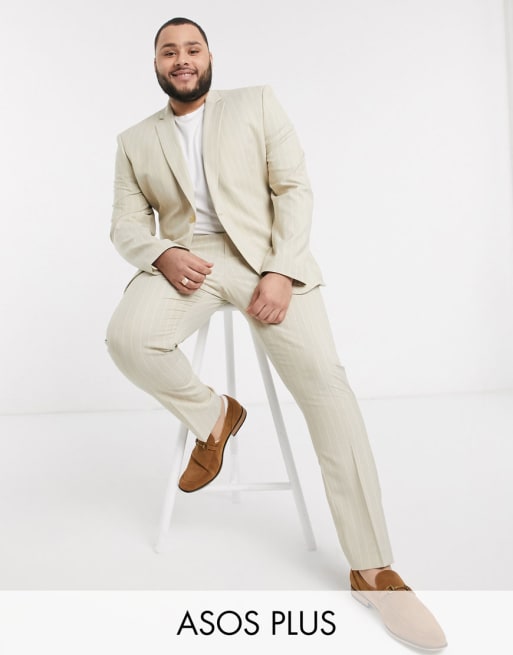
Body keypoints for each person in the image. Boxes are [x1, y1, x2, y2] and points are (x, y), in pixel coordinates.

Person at [106, 17, 447, 650]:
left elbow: (293, 188)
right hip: (189, 262)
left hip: (266, 256)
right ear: (155, 64)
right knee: (128, 338)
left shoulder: (257, 104)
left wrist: (282, 269)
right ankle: (215, 416)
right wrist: (161, 253)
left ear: (210, 56)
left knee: (327, 389)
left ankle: (373, 569)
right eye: (169, 52)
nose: (182, 59)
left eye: (192, 48)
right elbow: (125, 223)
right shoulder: (133, 140)